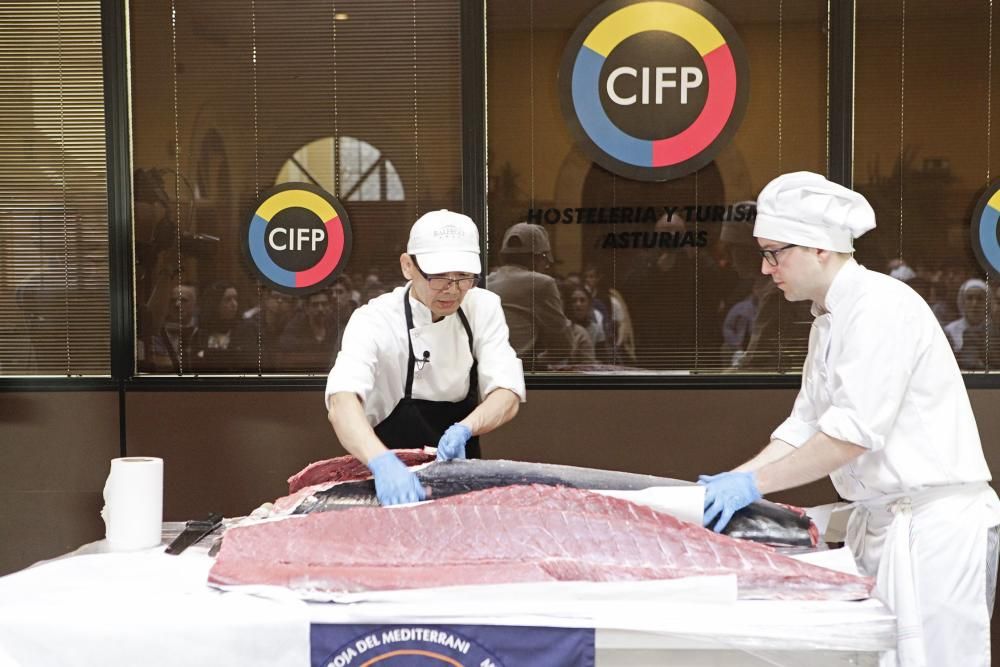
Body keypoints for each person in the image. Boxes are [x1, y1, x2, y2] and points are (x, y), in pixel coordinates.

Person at [697, 171, 1000, 667]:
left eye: (776, 252)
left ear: (820, 249)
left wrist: (754, 485)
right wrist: (739, 476)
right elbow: (803, 427)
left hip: (935, 531)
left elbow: (849, 436)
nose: (766, 266)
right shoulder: (828, 319)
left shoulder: (880, 307)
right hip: (888, 525)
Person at [325, 210, 526, 506]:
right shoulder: (374, 320)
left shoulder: (482, 307)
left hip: (458, 473)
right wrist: (382, 463)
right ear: (408, 266)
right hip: (384, 474)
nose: (452, 290)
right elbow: (342, 403)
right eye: (439, 277)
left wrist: (466, 428)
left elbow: (507, 392)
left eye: (463, 277)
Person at [485, 222, 574, 370]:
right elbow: (563, 344)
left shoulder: (487, 282)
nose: (546, 266)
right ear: (538, 257)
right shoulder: (541, 283)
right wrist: (539, 359)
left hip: (488, 369)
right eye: (545, 258)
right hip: (521, 372)